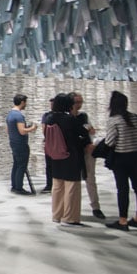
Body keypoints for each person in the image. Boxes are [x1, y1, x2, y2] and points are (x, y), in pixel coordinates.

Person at [103, 90, 137, 231]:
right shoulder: (136, 118)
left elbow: (110, 141)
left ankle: (123, 221)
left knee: (122, 190)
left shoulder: (114, 120)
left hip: (121, 158)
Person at [46, 93, 93, 227]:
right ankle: (70, 217)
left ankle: (57, 214)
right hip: (71, 155)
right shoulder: (69, 119)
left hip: (56, 156)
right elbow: (81, 134)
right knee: (72, 186)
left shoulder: (50, 118)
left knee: (57, 186)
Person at [70, 92, 104, 219]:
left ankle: (95, 207)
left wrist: (90, 133)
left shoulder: (83, 116)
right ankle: (72, 208)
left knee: (90, 178)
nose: (79, 105)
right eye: (77, 102)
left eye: (81, 102)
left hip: (87, 150)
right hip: (73, 152)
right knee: (73, 181)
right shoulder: (67, 118)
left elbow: (91, 130)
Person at [6, 93, 37, 195]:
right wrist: (32, 128)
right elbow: (22, 131)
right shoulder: (18, 115)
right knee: (21, 166)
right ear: (22, 102)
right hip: (21, 144)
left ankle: (14, 186)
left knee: (16, 165)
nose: (26, 105)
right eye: (25, 102)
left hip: (13, 143)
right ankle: (19, 187)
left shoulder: (10, 114)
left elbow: (9, 130)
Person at [40, 98, 55, 193]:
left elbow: (43, 129)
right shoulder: (47, 115)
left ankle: (50, 185)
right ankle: (50, 184)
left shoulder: (47, 116)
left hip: (50, 143)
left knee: (49, 165)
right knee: (50, 165)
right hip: (52, 144)